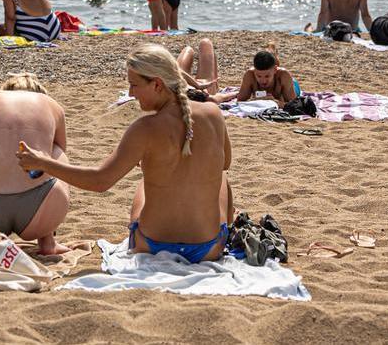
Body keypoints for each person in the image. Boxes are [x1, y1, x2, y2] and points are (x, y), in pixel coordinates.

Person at [17, 44, 232, 263]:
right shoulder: (214, 113)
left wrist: (44, 163)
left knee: (145, 182)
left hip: (151, 245)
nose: (130, 93)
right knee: (221, 178)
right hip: (207, 249)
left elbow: (100, 181)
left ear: (157, 84)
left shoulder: (145, 127)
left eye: (134, 85)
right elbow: (225, 163)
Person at [0, 73, 70, 255]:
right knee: (56, 151)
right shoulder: (52, 105)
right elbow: (61, 149)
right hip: (44, 210)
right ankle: (47, 241)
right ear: (39, 92)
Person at [210, 45, 297, 104]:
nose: (263, 80)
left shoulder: (284, 76)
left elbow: (294, 104)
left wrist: (275, 101)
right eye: (258, 76)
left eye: (267, 76)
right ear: (254, 70)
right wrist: (254, 100)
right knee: (239, 92)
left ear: (275, 70)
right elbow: (240, 102)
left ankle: (273, 53)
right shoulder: (250, 74)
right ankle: (271, 54)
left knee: (282, 97)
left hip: (293, 85)